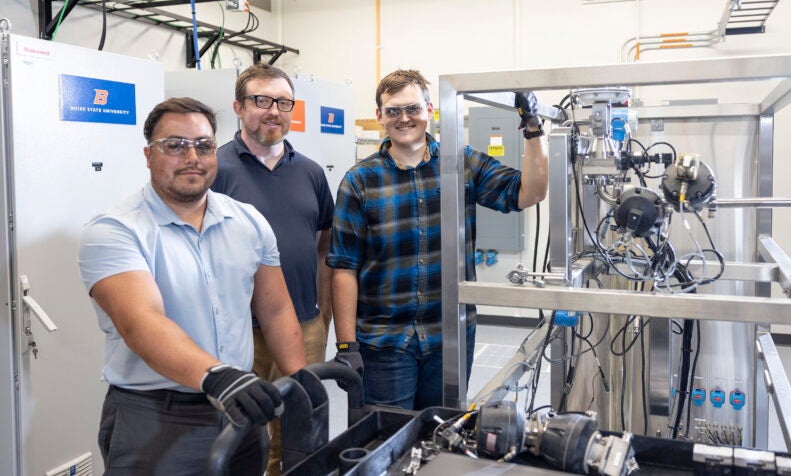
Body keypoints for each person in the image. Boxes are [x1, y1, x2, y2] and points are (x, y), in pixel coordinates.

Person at [78, 97, 307, 475]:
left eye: (203, 145)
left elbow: (276, 310)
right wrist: (217, 376)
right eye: (175, 145)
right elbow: (142, 322)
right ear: (148, 154)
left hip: (241, 411)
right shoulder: (114, 230)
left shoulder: (247, 220)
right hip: (156, 417)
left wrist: (300, 383)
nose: (192, 157)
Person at [326, 69, 548, 409]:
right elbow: (344, 268)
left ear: (430, 111)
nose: (404, 118)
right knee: (385, 443)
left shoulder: (462, 164)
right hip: (384, 342)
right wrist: (346, 346)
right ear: (380, 116)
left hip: (449, 337)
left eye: (413, 108)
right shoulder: (360, 180)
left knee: (442, 438)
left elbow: (530, 192)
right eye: (393, 110)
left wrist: (533, 130)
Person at [212, 63, 334, 476]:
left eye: (283, 102)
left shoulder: (312, 173)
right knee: (241, 435)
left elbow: (323, 250)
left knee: (300, 432)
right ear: (238, 107)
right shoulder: (214, 170)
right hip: (237, 329)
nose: (273, 111)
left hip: (303, 323)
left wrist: (323, 317)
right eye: (261, 100)